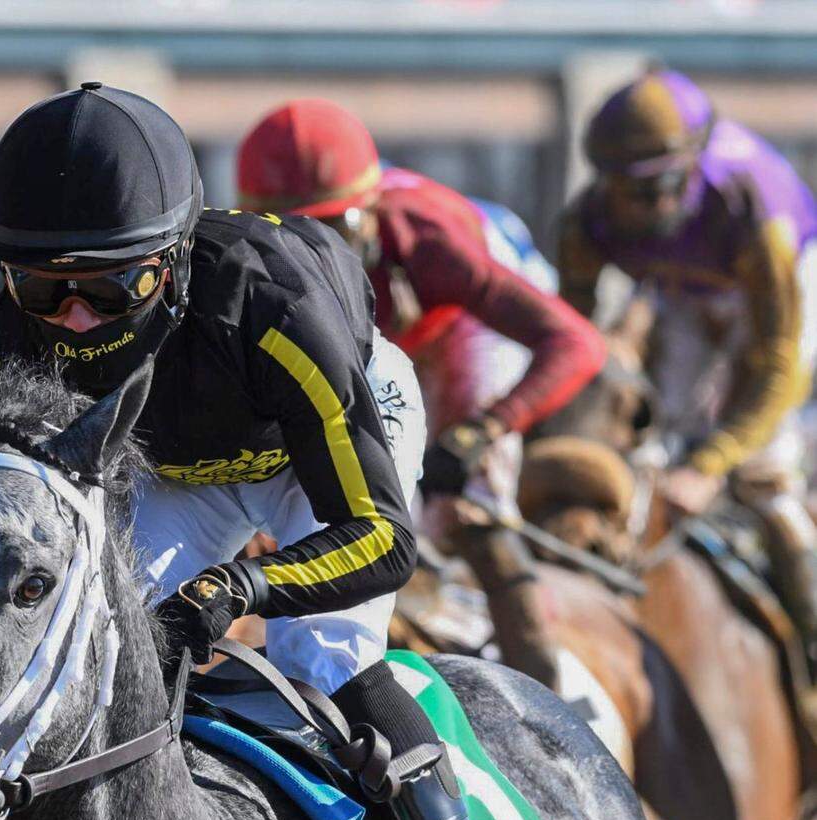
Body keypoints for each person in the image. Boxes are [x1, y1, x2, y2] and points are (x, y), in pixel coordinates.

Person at [0, 83, 537, 820]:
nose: (74, 320)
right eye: (44, 288)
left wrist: (240, 586)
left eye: (109, 288)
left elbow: (381, 539)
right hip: (175, 464)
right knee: (86, 649)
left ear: (168, 260)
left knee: (325, 653)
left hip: (323, 440)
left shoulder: (271, 301)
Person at [236, 99, 606, 691]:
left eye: (334, 231)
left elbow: (576, 343)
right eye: (285, 235)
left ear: (371, 213)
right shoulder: (235, 259)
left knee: (466, 506)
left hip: (456, 325)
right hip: (377, 333)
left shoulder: (429, 243)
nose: (311, 256)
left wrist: (482, 429)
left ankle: (548, 710)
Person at [558, 68, 817, 671]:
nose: (653, 207)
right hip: (682, 294)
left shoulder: (756, 214)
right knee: (655, 440)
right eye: (632, 191)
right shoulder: (586, 223)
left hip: (785, 283)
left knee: (763, 470)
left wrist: (708, 467)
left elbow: (777, 365)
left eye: (665, 186)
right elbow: (567, 335)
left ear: (695, 163)